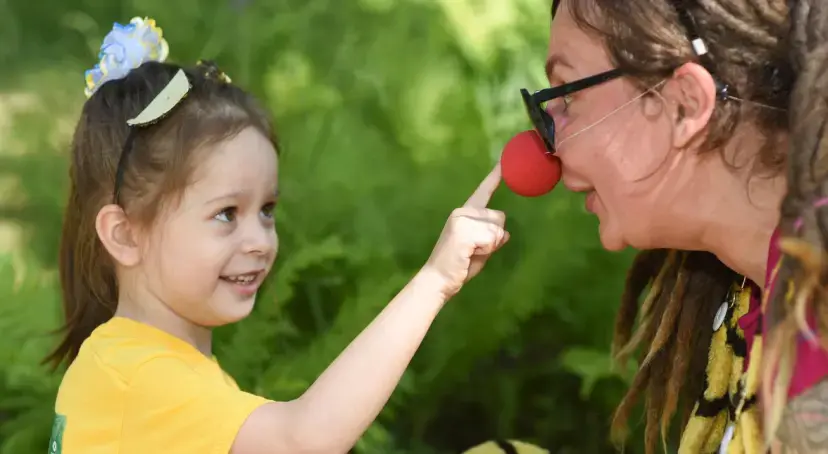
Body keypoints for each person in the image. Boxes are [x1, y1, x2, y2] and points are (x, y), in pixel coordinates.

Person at [46, 17, 510, 454]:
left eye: (266, 210)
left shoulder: (136, 365)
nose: (260, 241)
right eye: (226, 213)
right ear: (125, 235)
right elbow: (302, 442)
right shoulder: (139, 377)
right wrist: (433, 282)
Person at [488, 0, 828, 453]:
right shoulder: (759, 297)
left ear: (684, 105)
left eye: (568, 95)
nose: (546, 152)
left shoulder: (815, 317)